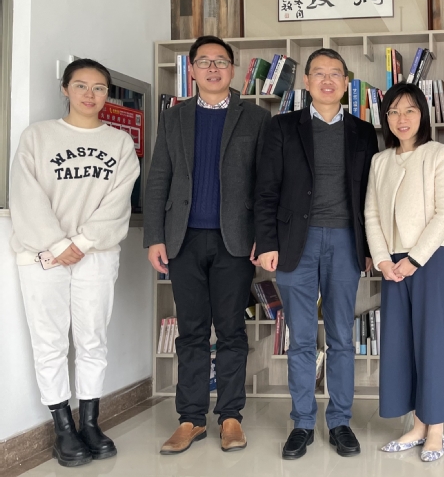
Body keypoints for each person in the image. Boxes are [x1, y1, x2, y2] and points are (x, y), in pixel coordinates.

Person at [10, 59, 140, 467]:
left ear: (107, 95)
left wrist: (80, 243)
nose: (90, 94)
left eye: (99, 88)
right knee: (49, 342)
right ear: (65, 89)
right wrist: (57, 243)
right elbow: (25, 194)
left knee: (92, 341)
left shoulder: (120, 143)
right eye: (81, 85)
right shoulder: (37, 136)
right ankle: (63, 429)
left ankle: (90, 423)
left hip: (95, 255)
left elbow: (117, 202)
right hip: (41, 256)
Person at [144, 35, 270, 454]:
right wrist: (155, 236)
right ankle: (191, 419)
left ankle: (231, 417)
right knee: (192, 332)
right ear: (192, 69)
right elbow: (158, 178)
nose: (212, 69)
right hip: (182, 240)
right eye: (204, 62)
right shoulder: (174, 118)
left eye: (220, 61)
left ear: (233, 69)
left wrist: (263, 235)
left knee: (232, 331)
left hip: (235, 241)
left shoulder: (256, 117)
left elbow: (265, 183)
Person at [255, 48, 379, 460]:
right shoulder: (282, 127)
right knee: (302, 338)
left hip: (345, 241)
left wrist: (368, 248)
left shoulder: (363, 131)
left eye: (335, 73)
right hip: (297, 243)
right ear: (306, 82)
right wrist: (267, 243)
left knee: (342, 337)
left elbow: (371, 195)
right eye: (319, 73)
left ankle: (340, 421)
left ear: (346, 83)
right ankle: (303, 423)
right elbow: (266, 190)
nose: (327, 80)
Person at [364, 82, 444, 462]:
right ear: (385, 118)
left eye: (410, 110)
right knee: (401, 344)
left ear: (423, 114)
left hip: (429, 259)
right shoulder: (380, 161)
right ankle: (417, 426)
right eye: (393, 112)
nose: (401, 119)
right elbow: (371, 214)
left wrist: (415, 258)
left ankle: (435, 431)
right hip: (392, 266)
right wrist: (383, 260)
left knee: (432, 344)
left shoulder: (438, 153)